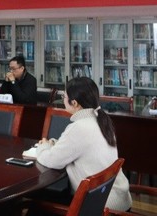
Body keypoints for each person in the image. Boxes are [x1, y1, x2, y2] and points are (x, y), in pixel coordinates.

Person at [36, 77, 132, 212]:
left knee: (37, 204)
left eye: (64, 97)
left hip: (99, 204)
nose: (63, 100)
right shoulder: (101, 120)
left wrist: (42, 147)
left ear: (74, 103)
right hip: (117, 198)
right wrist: (54, 143)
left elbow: (52, 161)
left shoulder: (79, 127)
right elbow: (81, 147)